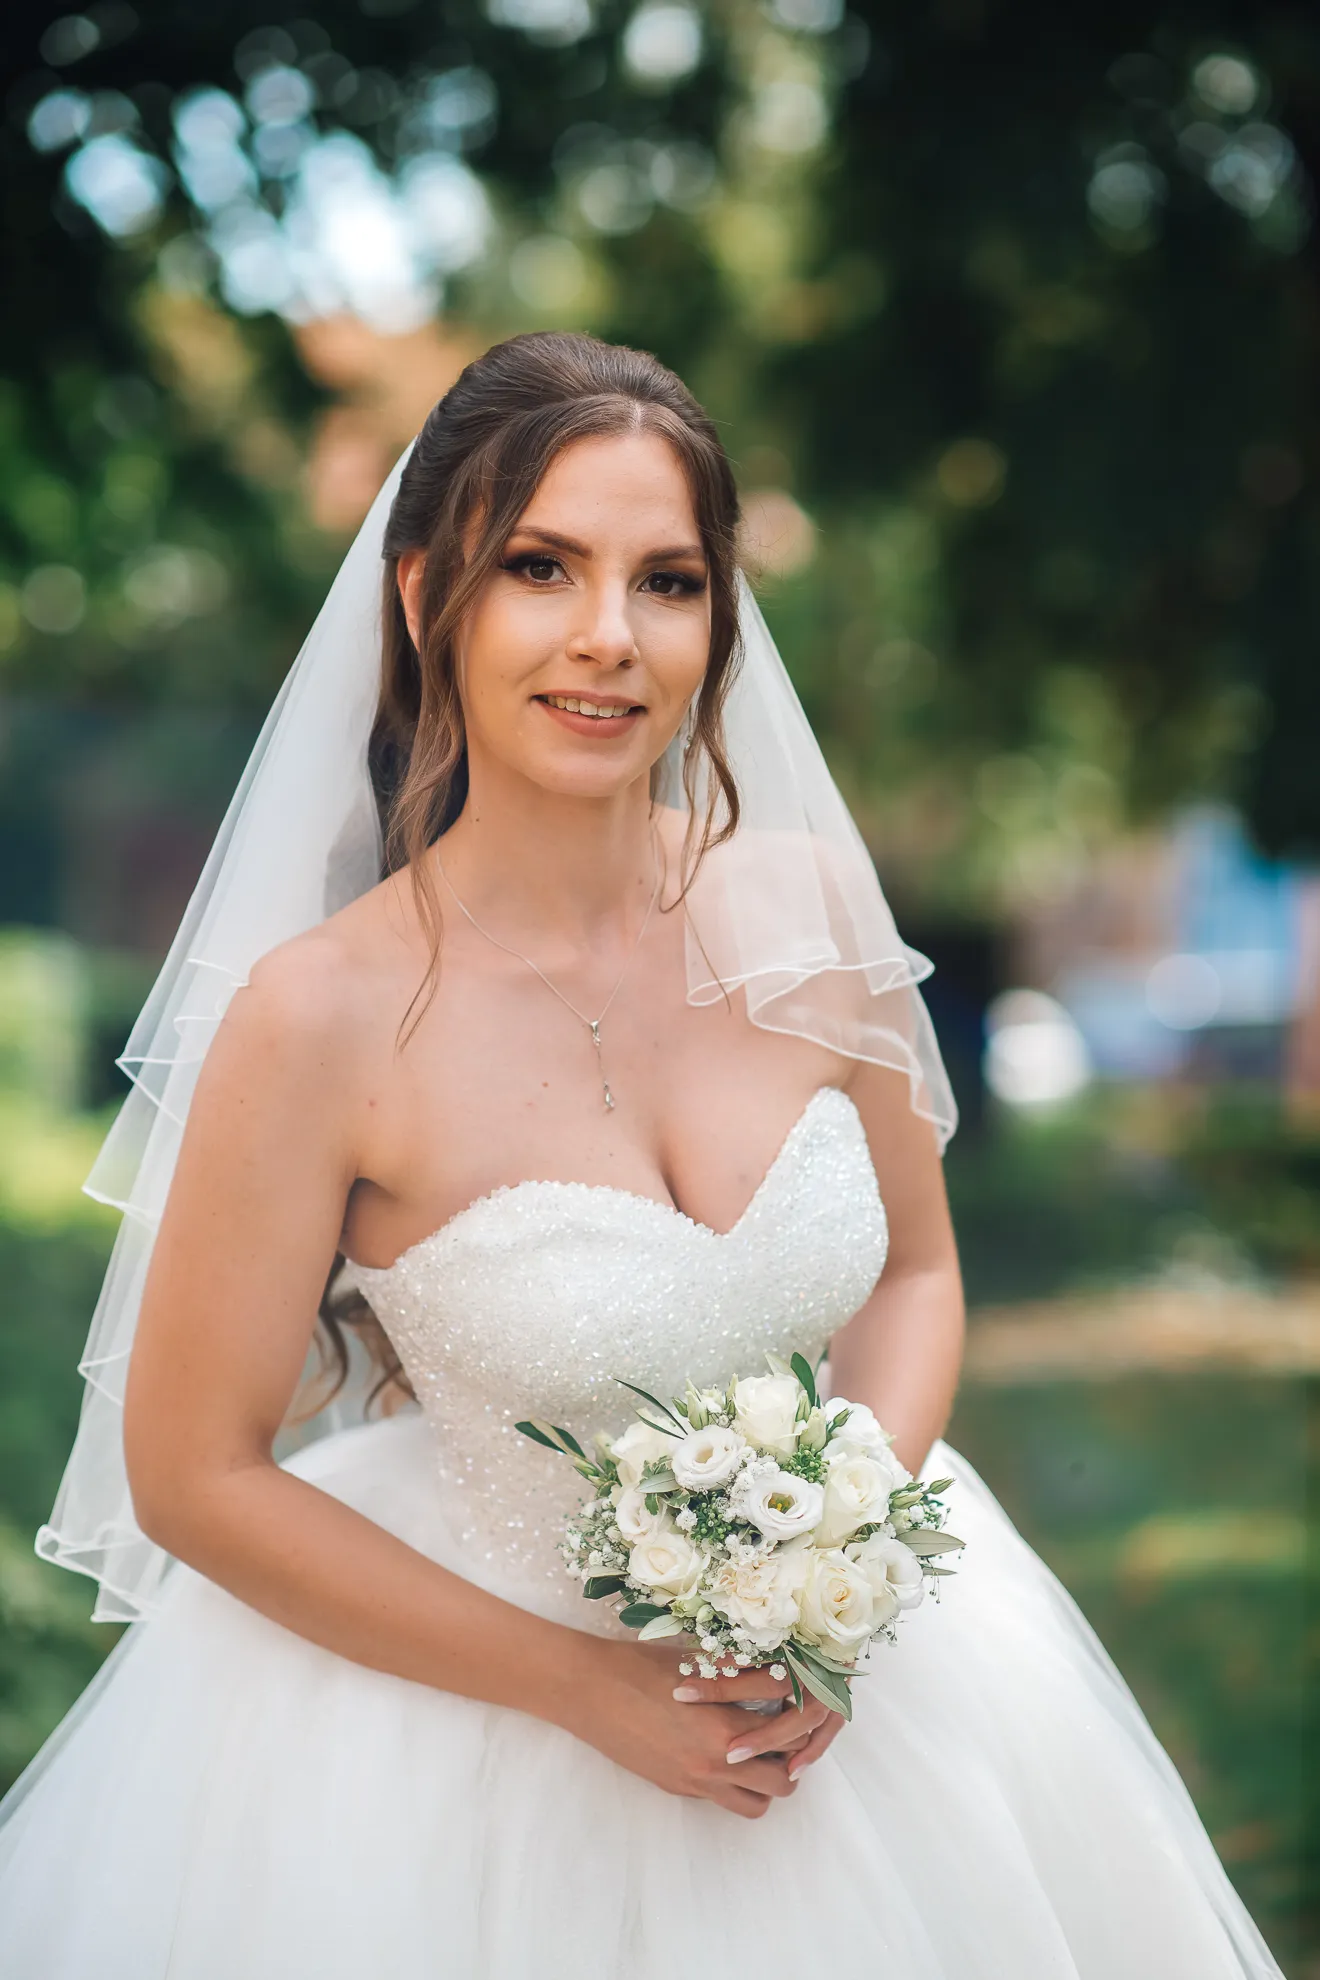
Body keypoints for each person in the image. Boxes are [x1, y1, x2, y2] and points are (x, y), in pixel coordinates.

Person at [0, 332, 1283, 1978]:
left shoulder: (812, 911)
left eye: (666, 581)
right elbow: (195, 1472)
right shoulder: (317, 1018)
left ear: (714, 620)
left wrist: (842, 1564)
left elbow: (913, 1268)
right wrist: (592, 1690)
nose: (607, 638)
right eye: (541, 568)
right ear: (425, 602)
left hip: (872, 1694)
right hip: (470, 1745)